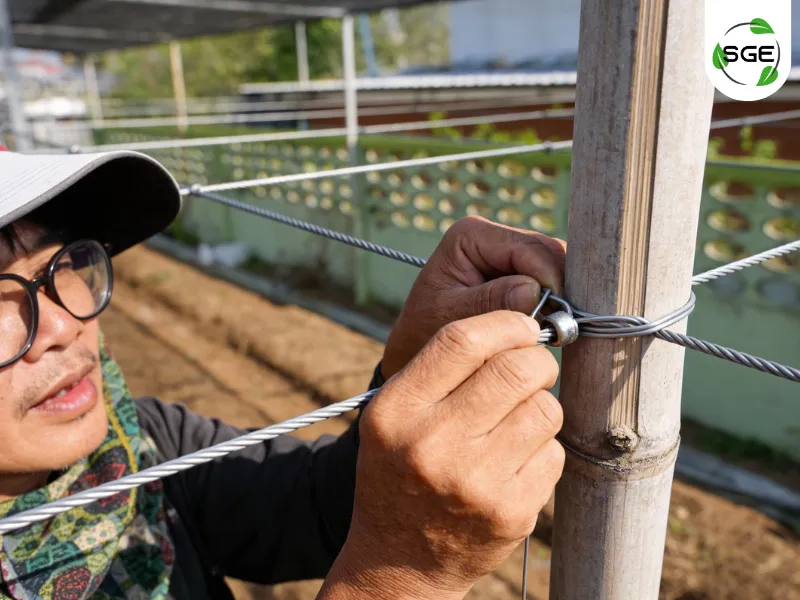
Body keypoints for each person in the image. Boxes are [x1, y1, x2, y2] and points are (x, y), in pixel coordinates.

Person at [0, 147, 568, 600]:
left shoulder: (144, 445)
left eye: (62, 263)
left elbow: (319, 507)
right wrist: (403, 577)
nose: (59, 323)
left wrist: (408, 365)